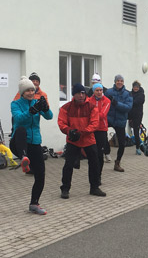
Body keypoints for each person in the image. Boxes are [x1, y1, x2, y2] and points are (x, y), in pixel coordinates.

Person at [10, 76, 53, 215]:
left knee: (41, 174)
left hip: (35, 143)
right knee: (21, 129)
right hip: (19, 143)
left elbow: (50, 116)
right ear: (22, 92)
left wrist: (45, 108)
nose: (30, 92)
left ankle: (34, 203)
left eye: (32, 90)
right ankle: (23, 158)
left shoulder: (36, 102)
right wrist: (31, 111)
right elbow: (19, 119)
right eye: (27, 90)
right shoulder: (15, 104)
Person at [58, 84, 106, 199]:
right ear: (73, 94)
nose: (81, 95)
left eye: (83, 93)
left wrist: (82, 132)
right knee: (68, 165)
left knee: (94, 163)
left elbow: (94, 124)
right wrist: (69, 131)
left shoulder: (91, 107)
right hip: (73, 140)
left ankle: (94, 187)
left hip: (88, 139)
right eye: (78, 93)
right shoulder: (66, 107)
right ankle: (65, 188)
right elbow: (61, 123)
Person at [105, 74, 132, 172]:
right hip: (109, 118)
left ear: (123, 82)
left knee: (122, 143)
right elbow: (103, 104)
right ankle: (106, 152)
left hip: (120, 120)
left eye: (121, 81)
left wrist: (116, 103)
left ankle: (117, 163)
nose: (119, 82)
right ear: (115, 82)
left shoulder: (128, 94)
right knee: (101, 136)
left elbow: (128, 107)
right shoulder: (108, 92)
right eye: (118, 81)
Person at [88, 83, 111, 182]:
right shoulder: (89, 100)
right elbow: (86, 113)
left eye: (100, 90)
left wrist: (93, 113)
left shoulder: (106, 100)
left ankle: (98, 175)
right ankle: (93, 175)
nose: (99, 92)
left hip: (101, 129)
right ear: (93, 91)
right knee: (92, 153)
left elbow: (102, 115)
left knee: (99, 154)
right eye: (97, 90)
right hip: (92, 129)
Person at [128, 80, 146, 155]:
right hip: (130, 114)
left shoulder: (141, 94)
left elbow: (136, 102)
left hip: (138, 115)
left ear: (139, 87)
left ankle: (138, 147)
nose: (135, 88)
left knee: (136, 130)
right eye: (134, 87)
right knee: (128, 129)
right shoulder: (130, 93)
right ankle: (138, 143)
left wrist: (130, 101)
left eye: (137, 87)